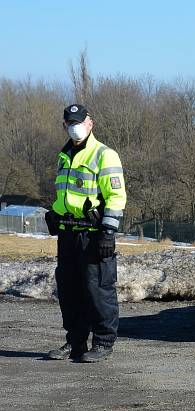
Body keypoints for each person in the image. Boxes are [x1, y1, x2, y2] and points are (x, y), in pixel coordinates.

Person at [44, 104, 127, 363]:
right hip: (68, 235)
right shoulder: (64, 155)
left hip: (93, 235)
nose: (75, 126)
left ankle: (103, 342)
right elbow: (66, 195)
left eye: (79, 121)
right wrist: (55, 213)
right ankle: (76, 342)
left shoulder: (104, 155)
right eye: (70, 122)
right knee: (70, 290)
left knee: (98, 289)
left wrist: (108, 232)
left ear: (90, 123)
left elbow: (116, 195)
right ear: (65, 125)